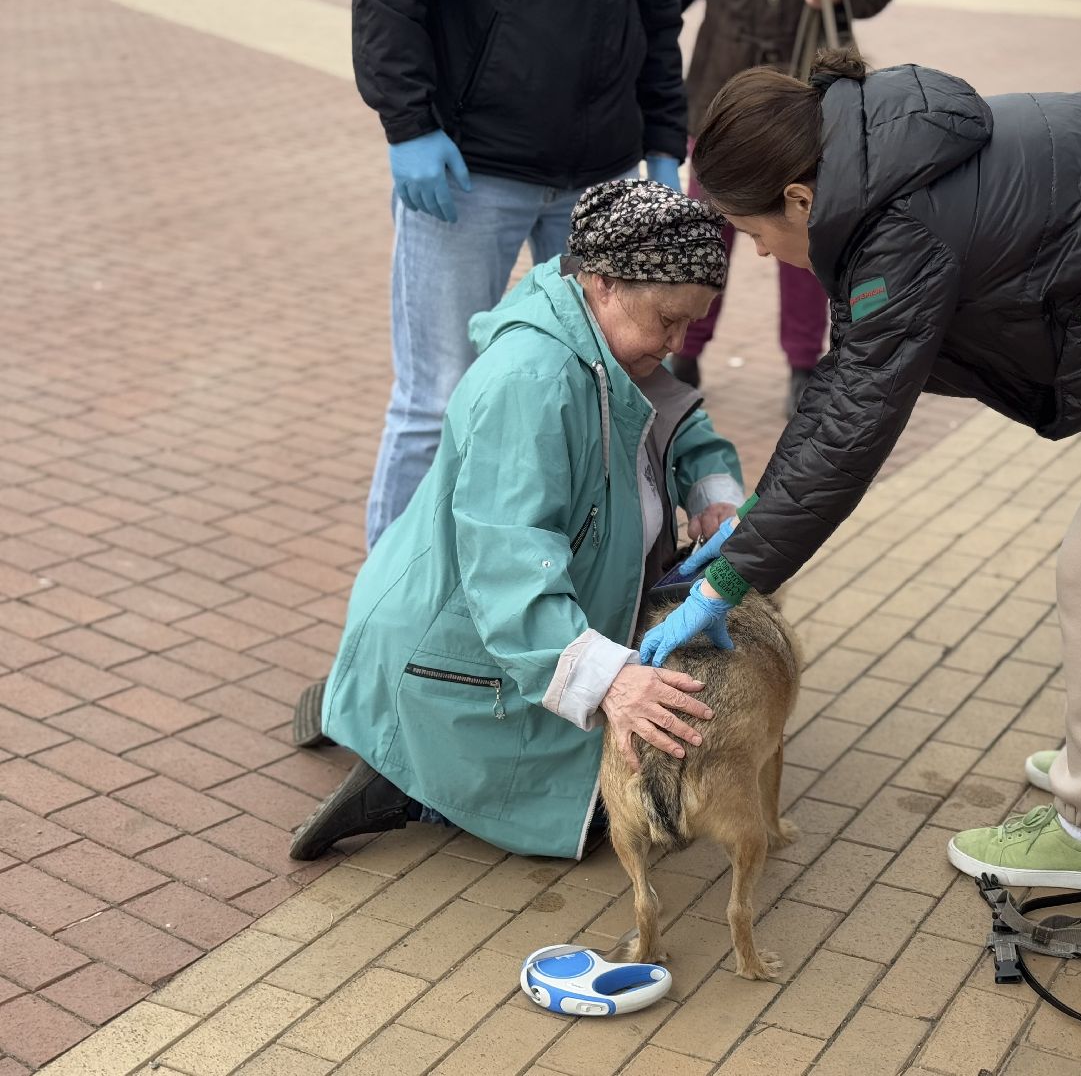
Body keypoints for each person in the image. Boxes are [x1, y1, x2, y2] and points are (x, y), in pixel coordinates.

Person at [640, 52, 1081, 890]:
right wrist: (756, 525)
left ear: (798, 198)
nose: (757, 254)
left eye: (752, 234)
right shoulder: (874, 162)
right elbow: (844, 390)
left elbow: (857, 419)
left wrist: (729, 582)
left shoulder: (899, 227)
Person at [290, 182, 746, 862]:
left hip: (493, 625)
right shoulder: (529, 382)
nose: (678, 342)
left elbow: (680, 419)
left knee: (646, 782)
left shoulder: (608, 335)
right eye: (668, 322)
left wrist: (711, 489)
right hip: (464, 641)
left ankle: (375, 712)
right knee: (613, 818)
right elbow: (508, 573)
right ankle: (408, 768)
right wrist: (612, 683)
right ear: (603, 282)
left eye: (691, 323)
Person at [354, 0, 689, 549]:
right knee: (435, 397)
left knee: (598, 395)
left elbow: (656, 15)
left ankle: (560, 586)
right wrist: (408, 123)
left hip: (601, 176)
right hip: (470, 168)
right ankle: (390, 607)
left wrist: (662, 142)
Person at [670, 0, 891, 414]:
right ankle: (685, 350)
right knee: (706, 233)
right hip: (718, 102)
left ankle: (803, 364)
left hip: (802, 108)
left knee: (802, 232)